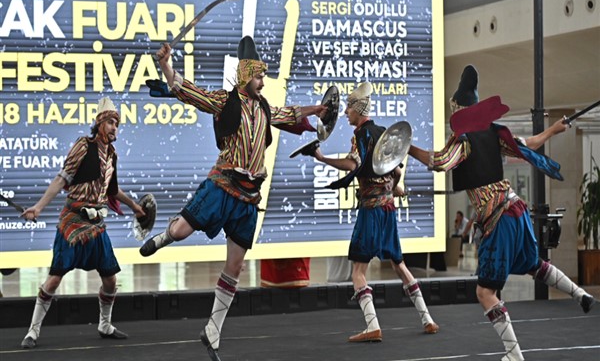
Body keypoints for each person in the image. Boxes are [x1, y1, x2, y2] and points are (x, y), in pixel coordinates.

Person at [140, 36, 326, 361]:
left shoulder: (266, 108)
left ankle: (212, 331)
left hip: (250, 197)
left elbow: (292, 113)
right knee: (182, 232)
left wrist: (318, 110)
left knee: (235, 267)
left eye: (263, 76)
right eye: (257, 76)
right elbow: (188, 91)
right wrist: (165, 65)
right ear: (244, 75)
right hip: (223, 184)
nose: (262, 81)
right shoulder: (226, 102)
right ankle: (163, 236)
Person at [408, 65, 596, 360]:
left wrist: (407, 147)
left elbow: (440, 162)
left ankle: (513, 354)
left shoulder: (463, 139)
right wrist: (554, 129)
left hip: (498, 217)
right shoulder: (495, 132)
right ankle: (580, 294)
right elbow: (529, 145)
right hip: (517, 208)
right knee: (535, 265)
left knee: (485, 292)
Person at [305, 82, 439, 342]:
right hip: (388, 208)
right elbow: (397, 170)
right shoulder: (384, 133)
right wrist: (396, 188)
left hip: (371, 209)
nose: (344, 113)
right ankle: (427, 319)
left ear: (358, 109)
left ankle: (372, 325)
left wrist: (322, 158)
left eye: (347, 109)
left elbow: (351, 164)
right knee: (399, 265)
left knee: (358, 271)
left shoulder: (361, 136)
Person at [20, 97, 146, 349]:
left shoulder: (112, 155)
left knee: (110, 280)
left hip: (97, 225)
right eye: (110, 122)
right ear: (100, 123)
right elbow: (61, 178)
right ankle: (32, 332)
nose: (114, 128)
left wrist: (133, 206)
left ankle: (104, 325)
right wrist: (39, 206)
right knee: (54, 279)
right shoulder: (83, 145)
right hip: (73, 222)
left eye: (117, 124)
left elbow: (112, 190)